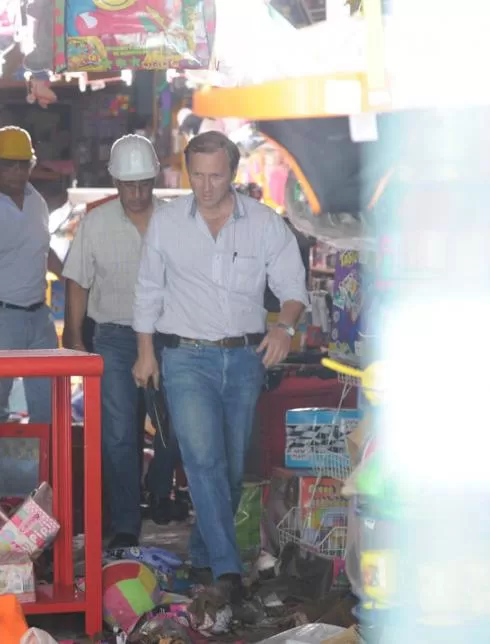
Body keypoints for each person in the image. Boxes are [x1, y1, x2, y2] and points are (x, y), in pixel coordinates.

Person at [132, 131, 308, 606]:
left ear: (232, 172)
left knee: (228, 472)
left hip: (245, 359)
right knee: (203, 462)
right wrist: (146, 353)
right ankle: (228, 574)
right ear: (188, 171)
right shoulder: (167, 224)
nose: (206, 186)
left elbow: (293, 285)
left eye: (215, 176)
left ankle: (205, 555)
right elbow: (149, 290)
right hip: (185, 358)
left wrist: (284, 328)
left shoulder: (264, 224)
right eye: (197, 175)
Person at [62, 134, 183, 547]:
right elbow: (77, 281)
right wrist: (74, 337)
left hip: (169, 337)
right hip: (113, 337)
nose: (136, 193)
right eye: (128, 185)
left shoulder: (176, 220)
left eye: (143, 184)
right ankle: (127, 522)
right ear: (115, 182)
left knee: (173, 426)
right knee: (117, 432)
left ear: (154, 180)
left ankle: (160, 492)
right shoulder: (95, 223)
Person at [0, 126, 65, 423]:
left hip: (38, 317)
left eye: (23, 165)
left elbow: (42, 249)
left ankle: (45, 470)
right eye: (9, 165)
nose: (17, 172)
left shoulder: (37, 201)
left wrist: (73, 277)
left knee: (48, 406)